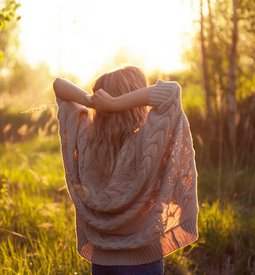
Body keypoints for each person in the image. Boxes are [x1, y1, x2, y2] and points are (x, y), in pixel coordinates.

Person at [53, 65, 198, 275]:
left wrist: (90, 100)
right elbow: (171, 91)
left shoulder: (87, 142)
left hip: (101, 259)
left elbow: (58, 85)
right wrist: (114, 104)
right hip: (142, 260)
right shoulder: (147, 140)